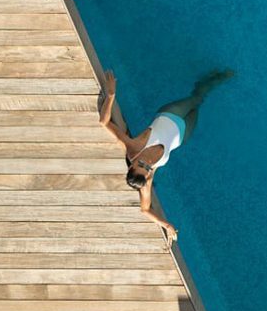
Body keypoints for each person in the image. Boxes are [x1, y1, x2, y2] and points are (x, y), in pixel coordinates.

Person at [98, 67, 234, 241]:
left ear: (131, 165)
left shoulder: (133, 147)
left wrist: (111, 95)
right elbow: (145, 209)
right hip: (182, 135)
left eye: (141, 164)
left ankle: (210, 80)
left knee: (197, 99)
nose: (147, 163)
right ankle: (202, 86)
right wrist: (167, 225)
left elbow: (104, 122)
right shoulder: (147, 178)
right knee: (198, 108)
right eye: (148, 168)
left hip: (170, 114)